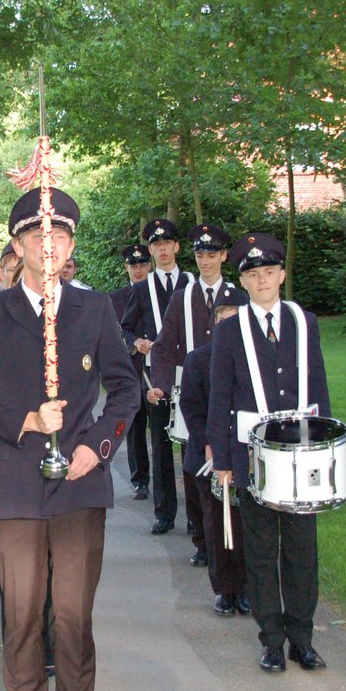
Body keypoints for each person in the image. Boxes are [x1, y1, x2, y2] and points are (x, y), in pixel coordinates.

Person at [0, 187, 140, 691]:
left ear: (71, 244)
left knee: (73, 620)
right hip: (14, 484)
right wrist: (28, 420)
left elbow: (125, 389)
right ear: (19, 247)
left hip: (80, 485)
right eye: (38, 234)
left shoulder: (96, 309)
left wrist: (98, 448)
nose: (49, 243)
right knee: (22, 618)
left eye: (59, 233)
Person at [206, 232, 332, 673]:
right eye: (253, 274)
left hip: (300, 455)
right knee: (260, 552)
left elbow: (318, 385)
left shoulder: (304, 321)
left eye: (269, 272)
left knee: (302, 551)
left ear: (282, 275)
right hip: (250, 456)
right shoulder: (229, 330)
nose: (262, 280)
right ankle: (272, 640)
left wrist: (324, 446)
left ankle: (303, 638)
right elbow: (220, 396)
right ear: (243, 282)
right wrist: (222, 461)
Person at [148, 224, 247, 565]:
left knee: (228, 464)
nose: (205, 261)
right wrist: (161, 385)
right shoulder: (182, 297)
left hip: (232, 395)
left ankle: (229, 537)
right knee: (194, 467)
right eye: (200, 255)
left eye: (212, 254)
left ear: (224, 257)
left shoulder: (238, 296)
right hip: (194, 393)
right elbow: (163, 346)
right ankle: (201, 539)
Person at [178, 300, 251, 617]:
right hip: (208, 456)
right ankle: (224, 590)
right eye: (223, 322)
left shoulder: (252, 359)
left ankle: (247, 589)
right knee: (217, 525)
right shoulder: (198, 359)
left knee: (246, 525)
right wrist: (210, 443)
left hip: (244, 456)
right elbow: (191, 407)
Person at [120, 218, 189, 535]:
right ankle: (164, 513)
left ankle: (196, 518)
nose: (162, 249)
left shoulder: (191, 283)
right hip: (156, 377)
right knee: (161, 445)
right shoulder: (142, 288)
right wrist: (136, 342)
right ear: (151, 250)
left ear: (176, 247)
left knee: (191, 445)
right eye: (156, 245)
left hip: (189, 374)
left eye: (167, 244)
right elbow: (125, 327)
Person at [107, 243, 151, 500]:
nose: (138, 270)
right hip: (131, 368)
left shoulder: (160, 292)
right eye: (133, 266)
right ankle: (140, 479)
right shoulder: (116, 298)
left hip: (158, 369)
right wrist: (133, 344)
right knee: (135, 427)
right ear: (127, 268)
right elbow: (114, 334)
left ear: (149, 266)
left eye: (142, 264)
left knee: (161, 429)